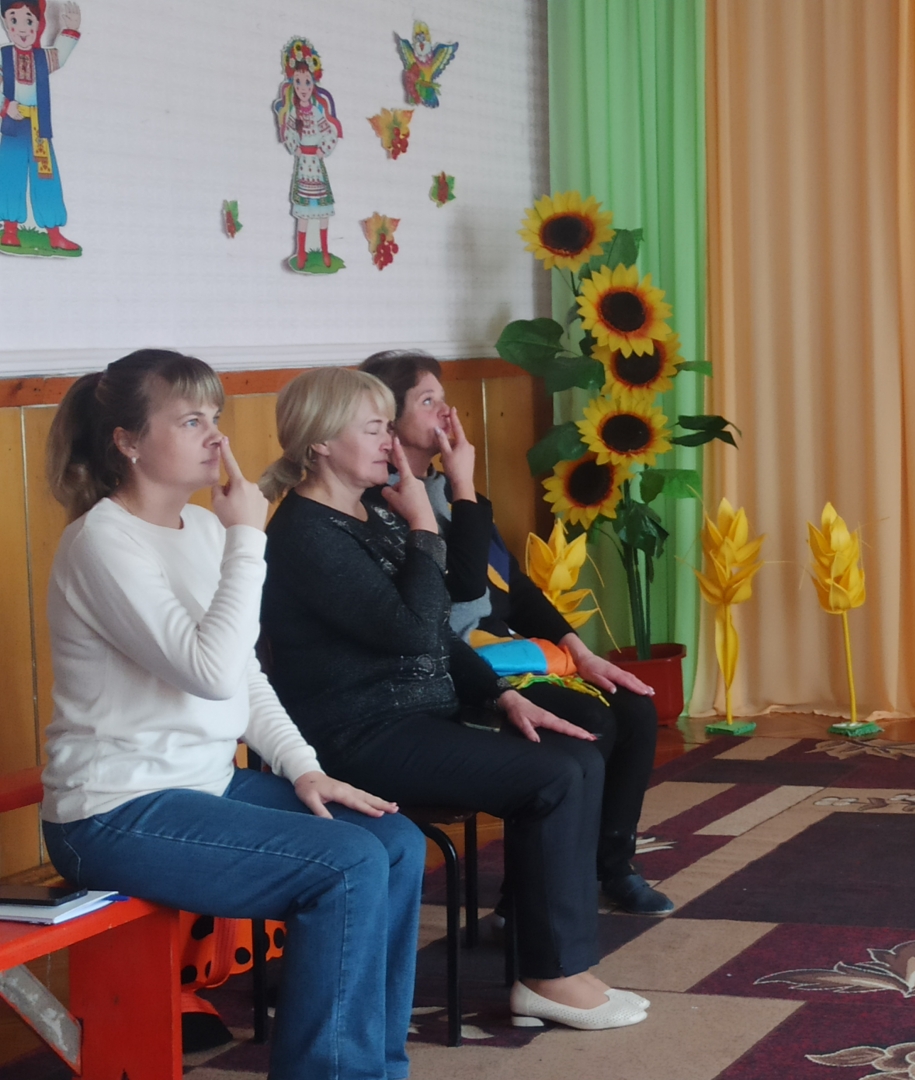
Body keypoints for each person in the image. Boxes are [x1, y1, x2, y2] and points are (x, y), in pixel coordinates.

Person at [39, 350, 422, 1079]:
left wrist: (304, 769)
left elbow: (243, 677)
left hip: (204, 785)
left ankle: (377, 1068)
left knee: (395, 843)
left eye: (215, 416)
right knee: (344, 867)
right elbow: (208, 671)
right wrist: (251, 537)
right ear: (127, 441)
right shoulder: (102, 542)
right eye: (190, 420)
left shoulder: (205, 529)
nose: (216, 435)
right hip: (112, 812)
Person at [257, 367, 648, 1031]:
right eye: (374, 429)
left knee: (577, 758)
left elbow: (435, 631)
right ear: (320, 443)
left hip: (416, 715)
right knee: (554, 776)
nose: (390, 443)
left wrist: (501, 697)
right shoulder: (305, 535)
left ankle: (562, 966)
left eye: (388, 427)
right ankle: (550, 976)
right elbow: (413, 630)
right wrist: (424, 528)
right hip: (358, 736)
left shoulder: (368, 512)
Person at [360, 350, 672, 915]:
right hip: (452, 667)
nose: (446, 412)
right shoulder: (383, 504)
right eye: (427, 401)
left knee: (633, 706)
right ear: (389, 421)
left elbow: (515, 589)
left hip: (504, 649)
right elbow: (458, 589)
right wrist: (462, 486)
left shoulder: (452, 491)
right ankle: (528, 896)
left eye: (443, 397)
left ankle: (610, 865)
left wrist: (582, 653)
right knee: (593, 720)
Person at [0, 0, 81, 252]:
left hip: (38, 126)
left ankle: (54, 233)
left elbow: (60, 57)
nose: (22, 29)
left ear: (38, 24)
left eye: (29, 21)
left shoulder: (42, 58)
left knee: (46, 175)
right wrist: (5, 106)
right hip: (13, 125)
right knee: (10, 173)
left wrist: (70, 30)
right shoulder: (3, 56)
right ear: (6, 24)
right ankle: (9, 230)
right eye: (14, 20)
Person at [271, 37, 341, 272]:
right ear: (293, 83)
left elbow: (329, 132)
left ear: (313, 84)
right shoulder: (293, 112)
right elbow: (289, 132)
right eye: (298, 82)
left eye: (307, 82)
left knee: (322, 210)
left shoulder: (317, 111)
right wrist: (296, 147)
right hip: (303, 166)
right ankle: (301, 252)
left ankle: (324, 249)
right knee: (303, 212)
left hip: (316, 167)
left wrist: (323, 149)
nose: (303, 87)